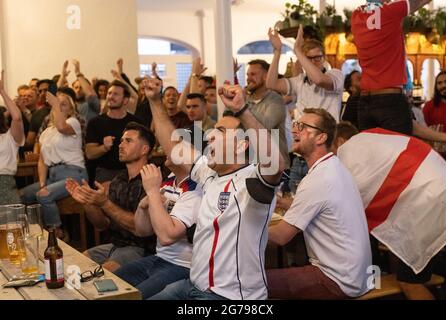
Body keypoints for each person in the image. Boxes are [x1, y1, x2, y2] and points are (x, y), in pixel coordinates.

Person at [143, 78, 285, 300]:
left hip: (229, 297)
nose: (209, 136)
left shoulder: (253, 179)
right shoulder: (210, 174)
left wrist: (241, 109)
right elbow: (173, 146)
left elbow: (275, 163)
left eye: (219, 132)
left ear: (241, 144)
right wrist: (154, 100)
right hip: (193, 285)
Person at [335, 123, 446, 300]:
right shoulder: (374, 139)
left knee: (409, 282)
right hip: (440, 191)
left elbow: (347, 205)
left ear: (340, 141)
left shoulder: (350, 151)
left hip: (431, 204)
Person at [267, 108, 372, 299]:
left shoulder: (318, 179)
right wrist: (281, 201)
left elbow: (281, 236)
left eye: (303, 126)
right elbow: (319, 207)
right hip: (359, 276)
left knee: (247, 281)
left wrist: (238, 226)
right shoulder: (334, 167)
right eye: (295, 125)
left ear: (321, 138)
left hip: (338, 280)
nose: (294, 130)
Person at [115, 128, 204, 299]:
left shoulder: (197, 187)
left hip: (182, 266)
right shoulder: (170, 179)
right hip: (159, 259)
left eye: (176, 145)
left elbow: (167, 236)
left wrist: (153, 193)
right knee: (111, 283)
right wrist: (143, 206)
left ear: (192, 153)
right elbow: (143, 231)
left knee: (132, 297)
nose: (167, 149)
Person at [66, 122, 157, 272]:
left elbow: (138, 228)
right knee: (75, 265)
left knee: (101, 275)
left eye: (128, 141)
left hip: (142, 249)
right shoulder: (119, 180)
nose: (120, 145)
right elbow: (102, 224)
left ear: (144, 149)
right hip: (116, 245)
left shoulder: (152, 179)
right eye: (121, 140)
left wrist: (105, 203)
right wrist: (88, 202)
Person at [351, 0, 432, 134]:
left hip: (365, 102)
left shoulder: (356, 16)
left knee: (372, 153)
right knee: (398, 152)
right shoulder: (392, 11)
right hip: (390, 100)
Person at [22, 90, 88, 238]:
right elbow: (42, 160)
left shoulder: (73, 123)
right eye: (56, 105)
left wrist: (55, 104)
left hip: (73, 173)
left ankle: (57, 233)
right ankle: (34, 232)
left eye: (63, 104)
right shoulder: (46, 132)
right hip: (52, 175)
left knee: (43, 195)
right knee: (23, 195)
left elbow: (61, 127)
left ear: (71, 109)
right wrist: (42, 182)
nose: (58, 107)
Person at [267, 26, 344, 122]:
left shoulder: (336, 74)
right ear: (302, 61)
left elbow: (319, 80)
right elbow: (271, 84)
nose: (313, 62)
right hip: (302, 133)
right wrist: (277, 51)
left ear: (324, 58)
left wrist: (297, 51)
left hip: (326, 134)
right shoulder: (300, 80)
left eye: (317, 58)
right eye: (308, 59)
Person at [85, 80, 143, 184]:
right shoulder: (95, 122)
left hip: (131, 170)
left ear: (125, 100)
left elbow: (144, 151)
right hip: (106, 172)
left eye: (115, 94)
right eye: (109, 93)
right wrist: (104, 147)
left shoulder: (136, 123)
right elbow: (89, 154)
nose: (111, 97)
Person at [0, 70, 25, 204]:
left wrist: (2, 91)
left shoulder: (9, 138)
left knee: (12, 224)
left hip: (5, 185)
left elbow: (16, 117)